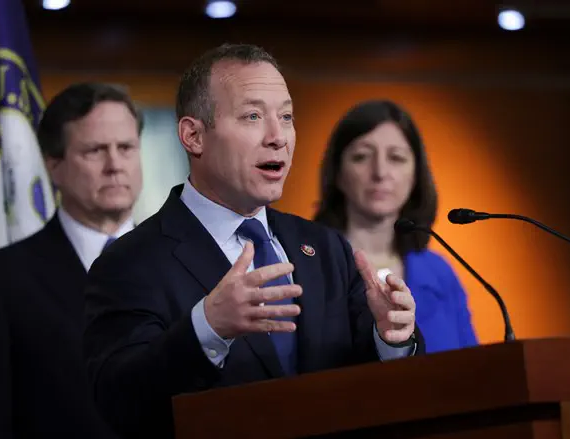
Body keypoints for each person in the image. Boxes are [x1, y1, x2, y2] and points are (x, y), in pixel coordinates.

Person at [82, 44, 424, 439]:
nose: (278, 137)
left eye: (286, 117)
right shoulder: (130, 261)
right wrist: (208, 328)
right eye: (253, 116)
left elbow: (375, 387)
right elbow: (119, 400)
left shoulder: (325, 248)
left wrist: (391, 337)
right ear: (193, 136)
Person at [0, 82, 144, 438]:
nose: (115, 165)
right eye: (95, 150)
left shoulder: (183, 261)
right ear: (54, 166)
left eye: (126, 148)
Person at [313, 99, 478, 353]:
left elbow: (473, 370)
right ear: (337, 173)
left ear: (415, 175)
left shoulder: (440, 273)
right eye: (361, 157)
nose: (380, 172)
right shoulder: (312, 265)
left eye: (396, 158)